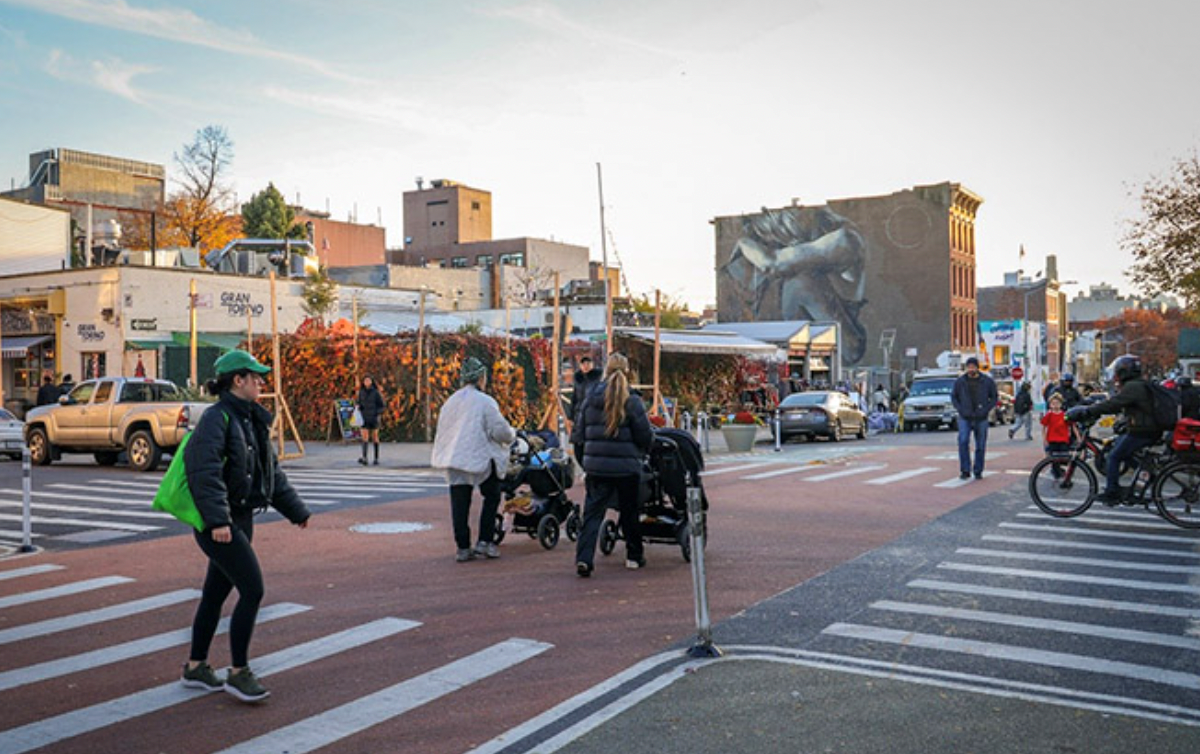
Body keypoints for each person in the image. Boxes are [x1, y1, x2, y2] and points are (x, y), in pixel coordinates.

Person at [182, 350, 311, 703]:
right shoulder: (216, 418)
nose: (261, 382)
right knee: (252, 590)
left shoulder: (250, 419)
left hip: (239, 518)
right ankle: (238, 672)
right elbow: (203, 473)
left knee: (214, 594)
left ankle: (196, 666)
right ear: (237, 380)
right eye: (255, 376)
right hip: (219, 523)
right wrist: (218, 521)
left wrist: (296, 510)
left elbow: (271, 473)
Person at [571, 352, 653, 577]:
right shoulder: (633, 400)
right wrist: (641, 454)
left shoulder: (590, 397)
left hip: (596, 467)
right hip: (626, 469)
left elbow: (578, 434)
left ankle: (584, 559)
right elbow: (645, 436)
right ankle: (634, 556)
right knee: (629, 513)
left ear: (605, 371)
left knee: (592, 514)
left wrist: (586, 462)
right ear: (627, 372)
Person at [431, 357, 516, 562]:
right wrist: (512, 435)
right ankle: (484, 542)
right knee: (491, 496)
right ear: (480, 378)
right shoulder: (485, 402)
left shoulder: (450, 401)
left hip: (454, 458)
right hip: (480, 458)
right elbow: (500, 431)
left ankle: (462, 547)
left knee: (459, 502)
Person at [1067, 355, 1160, 506]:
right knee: (1121, 451)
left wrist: (1088, 411)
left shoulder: (1133, 387)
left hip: (1142, 430)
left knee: (1113, 456)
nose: (1116, 376)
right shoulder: (1139, 384)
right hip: (1145, 428)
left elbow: (1112, 404)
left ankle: (1112, 492)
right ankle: (1147, 475)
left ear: (1124, 372)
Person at [951, 356, 998, 480]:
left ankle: (978, 470)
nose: (971, 369)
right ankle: (965, 469)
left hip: (981, 417)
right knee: (963, 441)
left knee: (981, 445)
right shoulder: (960, 381)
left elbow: (994, 397)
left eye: (973, 367)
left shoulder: (987, 381)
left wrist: (985, 410)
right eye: (969, 367)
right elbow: (954, 397)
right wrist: (960, 409)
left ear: (977, 367)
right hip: (965, 416)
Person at [571, 354, 600, 462]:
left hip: (591, 414)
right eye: (583, 363)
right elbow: (574, 398)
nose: (586, 366)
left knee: (590, 442)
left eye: (588, 363)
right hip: (578, 415)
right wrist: (571, 416)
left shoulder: (597, 379)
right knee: (577, 444)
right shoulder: (578, 379)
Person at [355, 375, 385, 466]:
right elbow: (359, 402)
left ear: (371, 382)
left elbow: (382, 405)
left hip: (374, 417)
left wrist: (377, 412)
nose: (367, 382)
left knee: (375, 437)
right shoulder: (361, 392)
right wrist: (358, 407)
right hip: (364, 417)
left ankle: (376, 458)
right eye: (365, 381)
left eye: (368, 380)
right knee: (365, 437)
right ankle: (365, 457)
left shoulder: (376, 393)